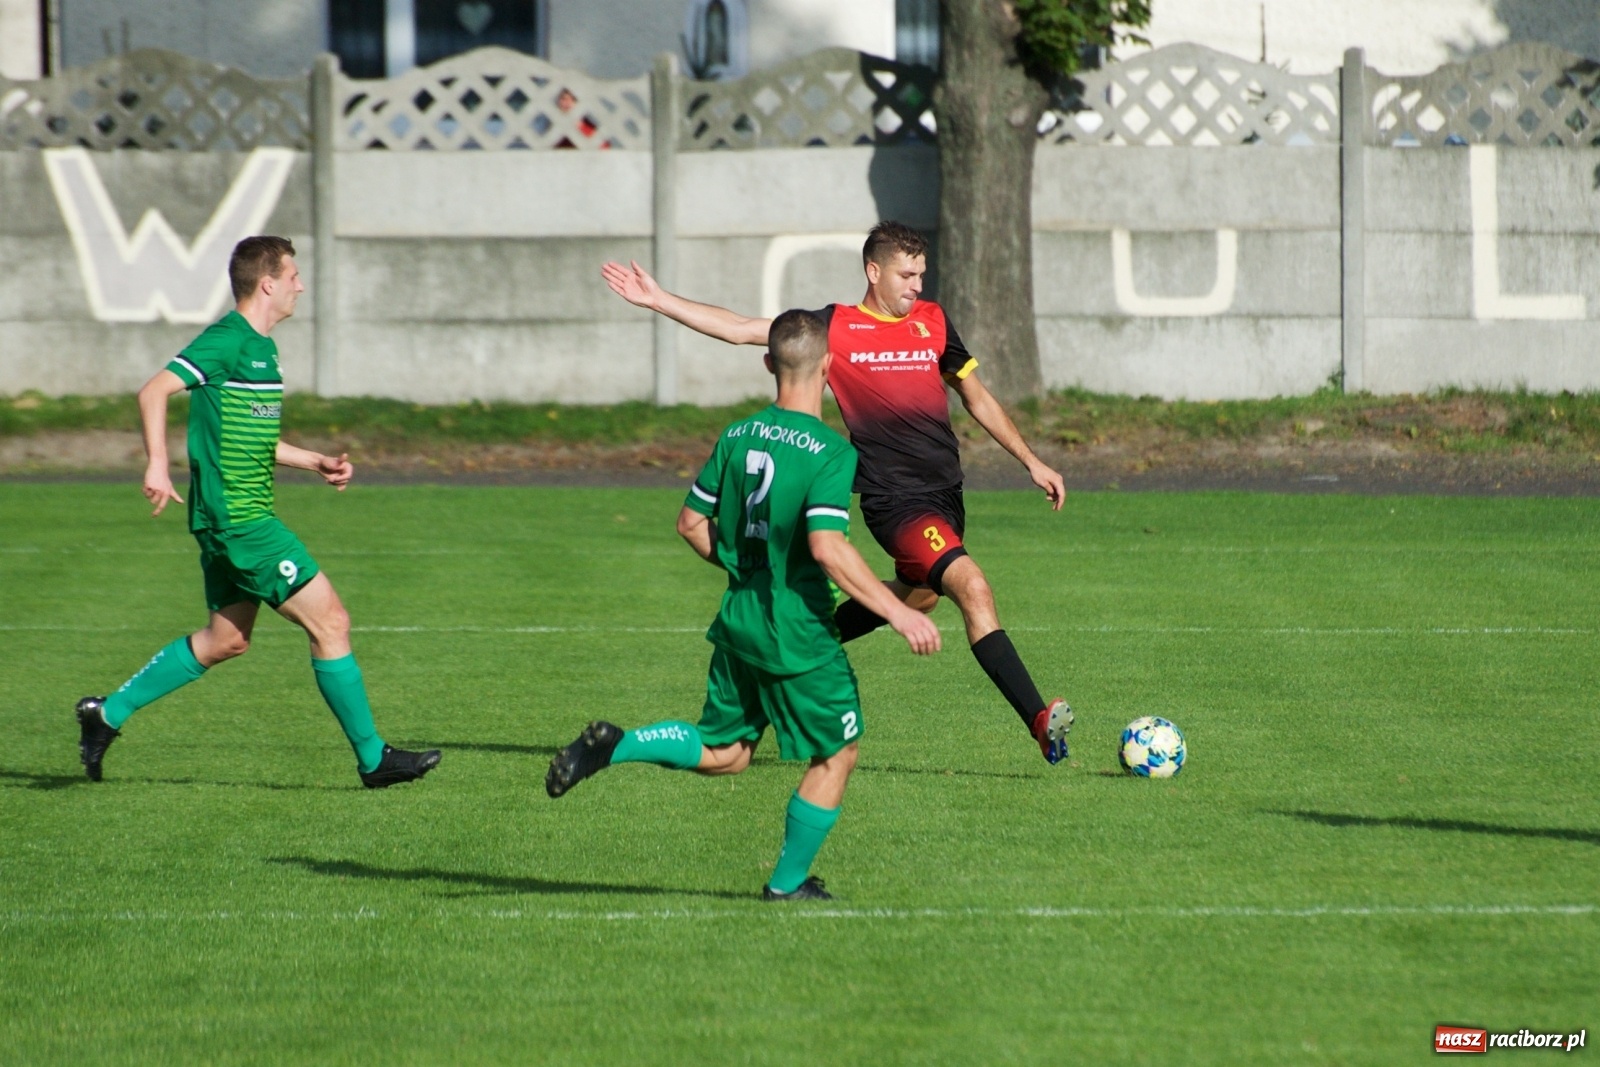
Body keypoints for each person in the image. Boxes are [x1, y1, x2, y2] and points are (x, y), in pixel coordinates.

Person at [601, 221, 1074, 764]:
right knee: (972, 587)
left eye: (921, 274)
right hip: (894, 501)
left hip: (946, 495)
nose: (916, 286)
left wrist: (1032, 461)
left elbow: (976, 396)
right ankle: (1039, 720)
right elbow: (740, 328)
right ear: (874, 272)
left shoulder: (934, 322)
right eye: (906, 274)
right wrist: (660, 300)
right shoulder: (836, 328)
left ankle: (785, 654)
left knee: (917, 594)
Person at [545, 309, 941, 901]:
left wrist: (746, 568)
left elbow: (689, 523)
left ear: (767, 364)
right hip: (798, 632)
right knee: (837, 753)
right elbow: (828, 547)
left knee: (728, 753)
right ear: (830, 369)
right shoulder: (831, 452)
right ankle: (785, 886)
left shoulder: (737, 435)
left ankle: (618, 746)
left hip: (739, 621)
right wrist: (898, 609)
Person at [74, 236, 441, 789]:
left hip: (230, 520)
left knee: (226, 640)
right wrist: (156, 464)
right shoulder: (227, 341)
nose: (300, 284)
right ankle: (374, 759)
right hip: (241, 522)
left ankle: (108, 714)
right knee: (332, 621)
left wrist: (313, 460)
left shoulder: (263, 349)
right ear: (267, 282)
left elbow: (250, 438)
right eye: (293, 274)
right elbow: (153, 392)